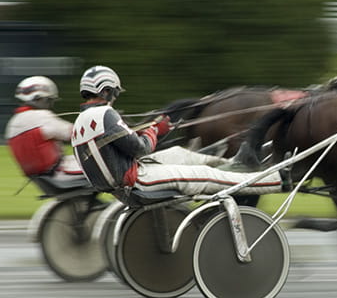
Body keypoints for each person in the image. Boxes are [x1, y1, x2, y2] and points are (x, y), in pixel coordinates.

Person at [71, 65, 289, 198]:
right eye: (114, 93)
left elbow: (124, 147)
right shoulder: (104, 115)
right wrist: (156, 129)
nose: (115, 98)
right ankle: (275, 180)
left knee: (180, 153)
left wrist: (153, 130)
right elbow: (140, 149)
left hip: (126, 176)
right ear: (106, 90)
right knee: (206, 176)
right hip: (137, 180)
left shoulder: (81, 121)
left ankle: (233, 165)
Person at [5, 75, 85, 183]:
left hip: (41, 177)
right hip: (59, 173)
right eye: (49, 100)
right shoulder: (41, 117)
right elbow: (74, 133)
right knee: (106, 164)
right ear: (39, 99)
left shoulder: (13, 122)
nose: (50, 105)